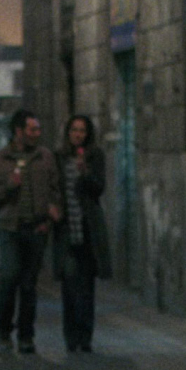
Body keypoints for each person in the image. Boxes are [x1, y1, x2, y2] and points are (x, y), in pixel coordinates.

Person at [0, 109, 63, 354]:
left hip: (37, 228)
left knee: (29, 284)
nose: (37, 133)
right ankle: (3, 330)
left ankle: (26, 335)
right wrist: (9, 186)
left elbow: (55, 190)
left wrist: (51, 213)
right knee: (10, 277)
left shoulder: (45, 157)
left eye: (38, 129)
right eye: (32, 129)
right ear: (18, 131)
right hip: (9, 228)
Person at [54, 115, 113, 353]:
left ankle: (85, 336)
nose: (78, 134)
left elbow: (99, 188)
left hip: (87, 229)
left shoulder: (94, 156)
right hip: (67, 229)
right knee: (69, 286)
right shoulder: (59, 157)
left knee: (87, 285)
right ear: (68, 132)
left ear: (87, 134)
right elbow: (54, 187)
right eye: (74, 130)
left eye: (82, 130)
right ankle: (71, 336)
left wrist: (85, 172)